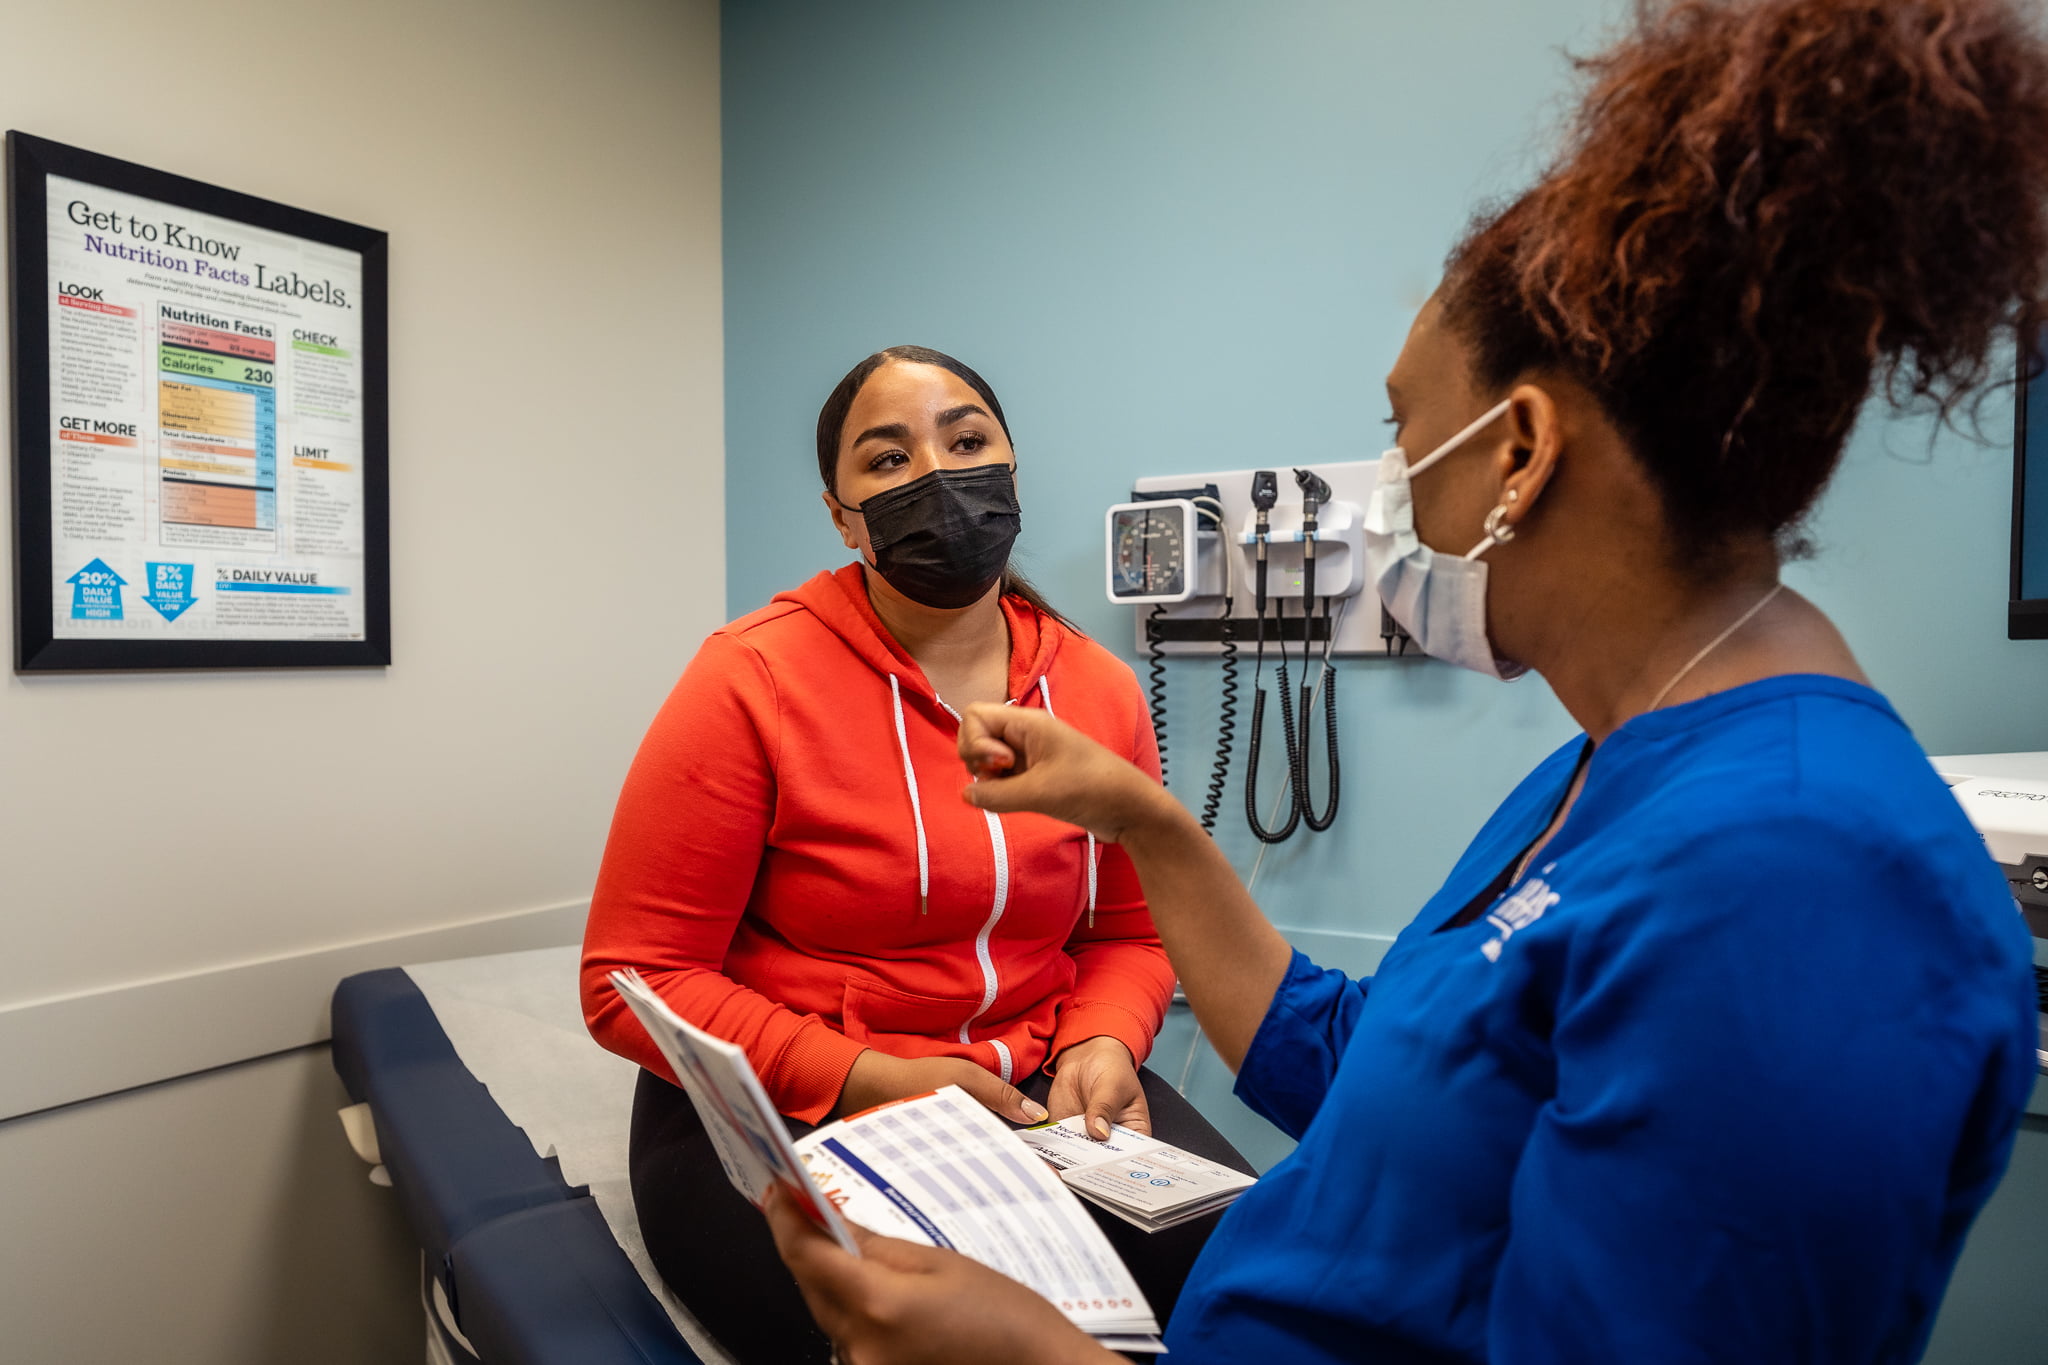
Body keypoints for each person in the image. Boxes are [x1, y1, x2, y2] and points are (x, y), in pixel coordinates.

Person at [762, 2, 2048, 1361]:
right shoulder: (1615, 763)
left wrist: (1036, 1357)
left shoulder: (1801, 884)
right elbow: (1382, 1069)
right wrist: (1141, 817)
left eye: (1404, 431)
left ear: (1521, 451)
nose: (1383, 496)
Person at [580, 345, 1245, 1363]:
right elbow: (632, 981)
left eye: (966, 440)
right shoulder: (748, 679)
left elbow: (1129, 927)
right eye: (886, 460)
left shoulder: (1099, 691)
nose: (937, 475)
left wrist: (1104, 1040)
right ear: (840, 516)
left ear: (1010, 468)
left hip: (1037, 1090)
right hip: (792, 1103)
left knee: (1254, 1285)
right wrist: (868, 1076)